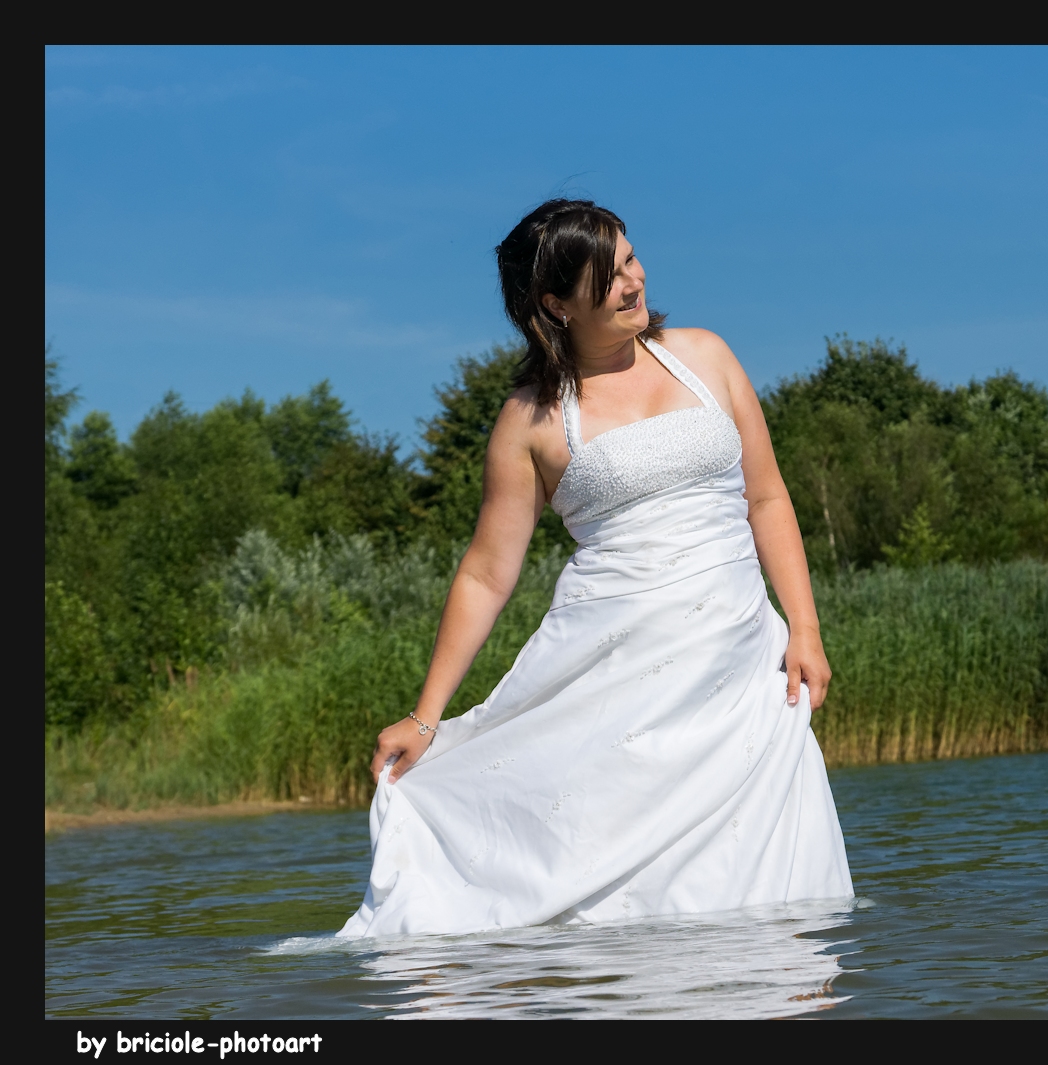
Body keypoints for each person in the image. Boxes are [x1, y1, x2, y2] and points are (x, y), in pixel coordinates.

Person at [339, 200, 853, 937]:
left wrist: (804, 625)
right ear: (554, 303)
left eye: (632, 259)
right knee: (631, 890)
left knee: (779, 893)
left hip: (744, 671)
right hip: (619, 677)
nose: (633, 281)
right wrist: (426, 715)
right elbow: (486, 574)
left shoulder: (705, 356)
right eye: (607, 276)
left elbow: (766, 496)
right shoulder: (531, 420)